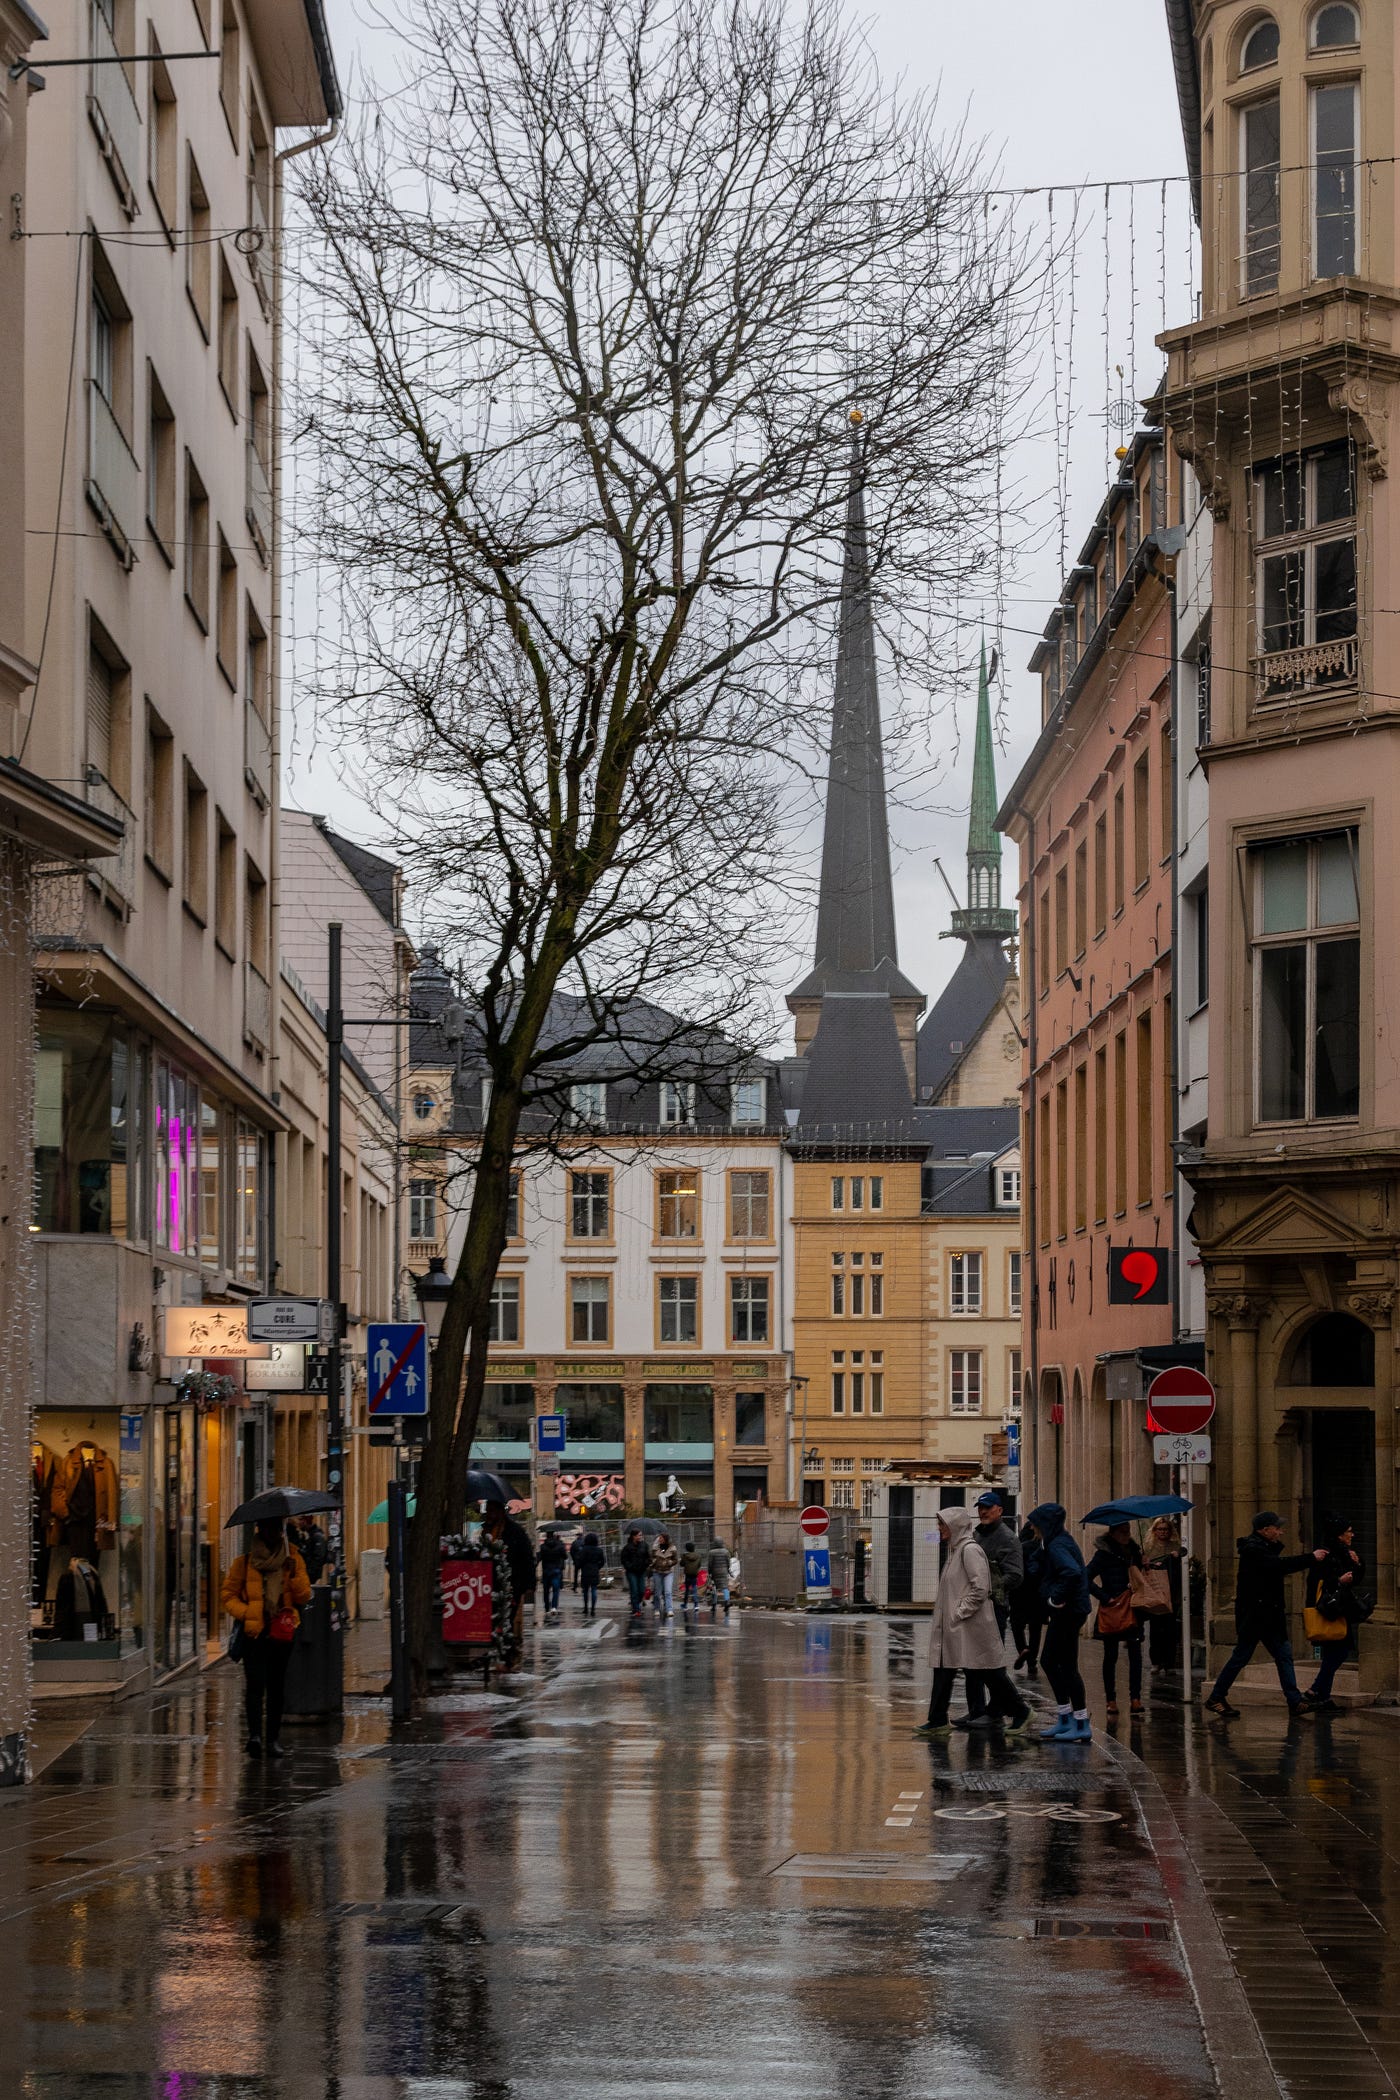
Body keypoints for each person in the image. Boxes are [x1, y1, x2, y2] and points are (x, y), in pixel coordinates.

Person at [916, 1506, 1032, 1739]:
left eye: (943, 1524)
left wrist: (959, 1612)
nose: (939, 1529)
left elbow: (981, 1587)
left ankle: (1021, 1711)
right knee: (945, 1668)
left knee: (988, 1671)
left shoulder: (969, 1550)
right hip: (958, 1626)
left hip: (969, 1625)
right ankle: (937, 1718)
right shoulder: (956, 1550)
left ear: (955, 1526)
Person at [1205, 1512, 1327, 1718]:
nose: (1281, 1531)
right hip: (1256, 1617)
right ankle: (1216, 1697)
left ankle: (1294, 1701)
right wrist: (1311, 1558)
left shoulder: (1261, 1548)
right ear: (1264, 1530)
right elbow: (1279, 1566)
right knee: (1243, 1657)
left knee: (1282, 1655)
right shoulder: (1254, 1550)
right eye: (1276, 1528)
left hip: (1267, 1616)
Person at [222, 1517, 312, 1759]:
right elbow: (228, 1596)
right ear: (260, 1530)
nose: (274, 1533)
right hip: (255, 1632)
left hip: (282, 1631)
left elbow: (304, 1596)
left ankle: (272, 1739)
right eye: (268, 1528)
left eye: (277, 1529)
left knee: (276, 1687)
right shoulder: (245, 1562)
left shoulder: (292, 1557)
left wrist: (294, 1575)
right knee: (254, 1686)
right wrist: (248, 1612)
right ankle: (254, 1737)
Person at [1027, 1501, 1092, 1741]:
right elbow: (1036, 1559)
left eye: (1035, 1524)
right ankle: (1067, 1717)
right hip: (1072, 1610)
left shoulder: (1057, 1545)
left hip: (1068, 1611)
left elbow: (1072, 1572)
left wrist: (1056, 1598)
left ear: (1045, 1524)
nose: (1032, 1528)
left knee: (1061, 1665)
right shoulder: (1053, 1543)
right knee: (1055, 1663)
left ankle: (1080, 1721)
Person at [963, 1491, 1023, 1720]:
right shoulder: (977, 1535)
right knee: (971, 1662)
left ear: (1000, 1510)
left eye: (988, 1507)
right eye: (980, 1508)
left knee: (990, 1662)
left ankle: (997, 1711)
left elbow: (1016, 1576)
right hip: (976, 1607)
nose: (983, 1512)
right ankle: (976, 1710)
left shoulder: (1007, 1539)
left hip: (994, 1608)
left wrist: (988, 1588)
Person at [1301, 1511, 1364, 1713]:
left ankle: (1321, 1695)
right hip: (1328, 1611)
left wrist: (1357, 1564)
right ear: (1339, 1534)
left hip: (1337, 1609)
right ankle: (1315, 1691)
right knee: (1338, 1652)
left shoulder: (1344, 1553)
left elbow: (1356, 1578)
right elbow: (1315, 1583)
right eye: (1349, 1532)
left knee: (1333, 1654)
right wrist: (1338, 1581)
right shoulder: (1326, 1554)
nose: (1352, 1535)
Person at [1086, 1521, 1145, 1717]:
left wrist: (1144, 1565)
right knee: (1110, 1656)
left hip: (1133, 1606)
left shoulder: (1134, 1551)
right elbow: (1085, 1577)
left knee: (1135, 1654)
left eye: (1128, 1531)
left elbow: (1142, 1576)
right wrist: (1104, 1597)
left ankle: (1135, 1698)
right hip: (1112, 1608)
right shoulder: (1103, 1554)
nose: (1127, 1534)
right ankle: (1110, 1700)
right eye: (1122, 1532)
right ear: (1112, 1533)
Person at [484, 1499, 537, 1663]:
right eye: (488, 1511)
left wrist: (529, 1584)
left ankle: (507, 1654)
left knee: (508, 1618)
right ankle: (500, 1651)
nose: (490, 1514)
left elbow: (527, 1558)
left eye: (493, 1511)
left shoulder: (515, 1532)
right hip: (490, 1582)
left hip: (512, 1582)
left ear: (501, 1512)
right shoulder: (486, 1531)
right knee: (493, 1618)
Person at [1141, 1516, 1183, 1675]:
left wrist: (1176, 1558)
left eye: (1166, 1529)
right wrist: (1147, 1563)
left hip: (1172, 1593)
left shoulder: (1175, 1546)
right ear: (1155, 1531)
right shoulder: (1148, 1548)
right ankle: (1156, 1662)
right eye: (1160, 1529)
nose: (1163, 1532)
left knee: (1171, 1630)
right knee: (1156, 1629)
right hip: (1155, 1593)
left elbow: (1183, 1564)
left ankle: (1169, 1663)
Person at [1009, 1519, 1046, 1675]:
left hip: (1019, 1592)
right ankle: (1032, 1662)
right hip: (1037, 1594)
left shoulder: (1018, 1548)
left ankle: (1022, 1649)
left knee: (1017, 1625)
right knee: (1035, 1629)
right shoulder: (1041, 1548)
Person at [620, 1527, 651, 1617]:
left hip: (641, 1571)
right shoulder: (627, 1547)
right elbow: (624, 1559)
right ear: (634, 1536)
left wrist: (646, 1563)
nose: (641, 1537)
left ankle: (636, 1604)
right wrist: (629, 1566)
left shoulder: (644, 1545)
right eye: (639, 1535)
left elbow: (648, 1557)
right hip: (631, 1572)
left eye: (641, 1535)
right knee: (634, 1589)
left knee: (641, 1590)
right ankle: (636, 1609)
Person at [576, 1530, 607, 1618]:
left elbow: (580, 1560)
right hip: (594, 1571)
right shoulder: (599, 1550)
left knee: (585, 1590)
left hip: (585, 1571)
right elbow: (602, 1561)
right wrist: (598, 1567)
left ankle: (586, 1607)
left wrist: (581, 1566)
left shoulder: (584, 1550)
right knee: (594, 1590)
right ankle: (593, 1608)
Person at [537, 1530, 568, 1617]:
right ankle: (554, 1607)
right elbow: (565, 1556)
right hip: (556, 1570)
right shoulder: (559, 1546)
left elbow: (539, 1558)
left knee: (546, 1591)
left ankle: (547, 1607)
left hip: (546, 1570)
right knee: (555, 1590)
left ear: (546, 1536)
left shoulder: (542, 1547)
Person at [293, 1514, 329, 1583]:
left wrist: (309, 1572)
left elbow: (319, 1557)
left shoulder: (317, 1536)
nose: (298, 1522)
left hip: (311, 1576)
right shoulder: (308, 1535)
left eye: (300, 1519)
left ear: (305, 1521)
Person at [650, 1530, 679, 1617]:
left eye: (661, 1538)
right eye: (659, 1538)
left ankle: (669, 1609)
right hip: (657, 1571)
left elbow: (676, 1560)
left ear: (665, 1539)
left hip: (668, 1572)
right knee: (657, 1592)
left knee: (668, 1591)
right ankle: (657, 1608)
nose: (659, 1539)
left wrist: (670, 1563)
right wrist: (654, 1561)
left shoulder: (672, 1548)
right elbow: (651, 1557)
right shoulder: (655, 1548)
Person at [706, 1538, 732, 1614]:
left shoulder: (711, 1552)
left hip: (715, 1572)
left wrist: (709, 1571)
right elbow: (728, 1562)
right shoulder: (726, 1552)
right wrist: (727, 1569)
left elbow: (710, 1563)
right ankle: (727, 1601)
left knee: (714, 1588)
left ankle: (714, 1605)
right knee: (725, 1587)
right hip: (724, 1571)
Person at [679, 1541, 703, 1611]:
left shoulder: (685, 1556)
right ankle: (696, 1605)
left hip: (687, 1574)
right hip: (695, 1574)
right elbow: (699, 1565)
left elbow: (682, 1564)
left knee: (687, 1590)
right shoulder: (698, 1556)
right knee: (695, 1589)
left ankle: (685, 1605)